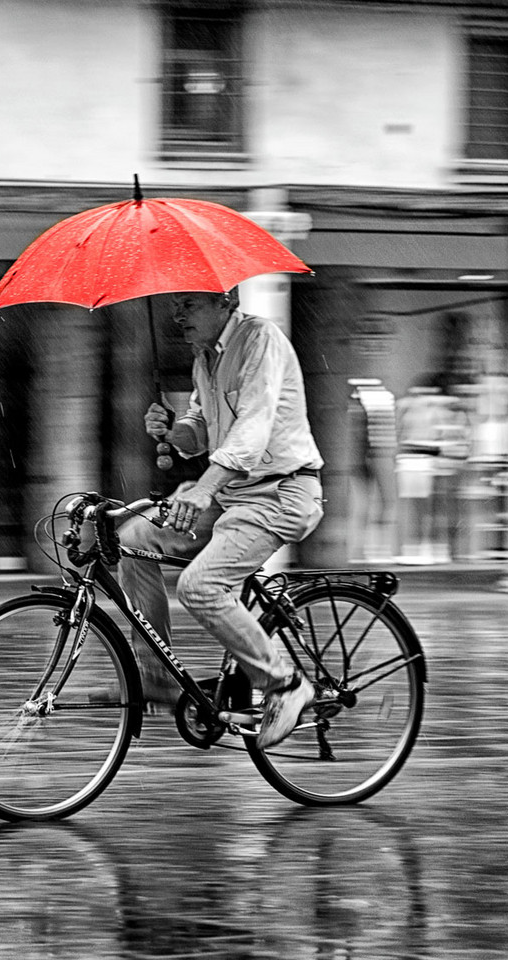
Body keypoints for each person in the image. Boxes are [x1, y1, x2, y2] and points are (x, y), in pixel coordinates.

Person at [120, 288, 325, 748]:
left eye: (188, 303)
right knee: (135, 540)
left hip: (281, 494)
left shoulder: (260, 340)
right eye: (175, 305)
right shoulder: (205, 357)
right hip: (233, 496)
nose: (177, 314)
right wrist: (173, 429)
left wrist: (203, 489)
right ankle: (156, 678)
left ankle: (285, 685)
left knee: (200, 586)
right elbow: (199, 433)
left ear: (225, 300)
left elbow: (252, 430)